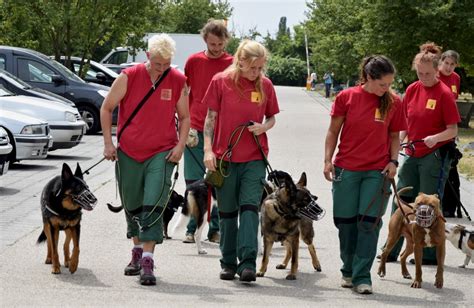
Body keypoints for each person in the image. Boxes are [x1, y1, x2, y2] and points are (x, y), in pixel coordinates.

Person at [100, 34, 190, 285]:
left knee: (153, 202)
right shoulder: (129, 77)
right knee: (133, 203)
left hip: (161, 152)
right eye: (157, 63)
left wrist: (180, 146)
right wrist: (108, 143)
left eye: (166, 64)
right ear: (148, 56)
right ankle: (137, 252)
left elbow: (184, 117)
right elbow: (107, 108)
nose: (162, 69)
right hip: (129, 151)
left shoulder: (178, 80)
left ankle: (148, 259)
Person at [323, 55, 406, 295]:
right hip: (346, 169)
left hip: (377, 171)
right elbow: (332, 132)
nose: (386, 89)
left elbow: (393, 136)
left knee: (369, 224)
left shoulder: (393, 102)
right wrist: (327, 160)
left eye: (390, 84)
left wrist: (393, 161)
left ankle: (362, 276)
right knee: (346, 224)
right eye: (383, 84)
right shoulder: (346, 97)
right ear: (369, 78)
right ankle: (347, 270)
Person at [202, 40, 279, 282]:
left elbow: (272, 118)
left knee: (249, 208)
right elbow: (210, 119)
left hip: (255, 157)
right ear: (241, 61)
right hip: (224, 157)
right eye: (253, 68)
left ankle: (247, 263)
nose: (257, 73)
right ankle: (227, 262)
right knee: (227, 212)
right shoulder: (220, 82)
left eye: (260, 68)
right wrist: (207, 150)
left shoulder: (265, 85)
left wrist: (263, 126)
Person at [383, 42, 460, 265]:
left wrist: (435, 138)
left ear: (437, 70)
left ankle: (428, 253)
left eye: (428, 73)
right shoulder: (412, 89)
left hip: (434, 155)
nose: (423, 77)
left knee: (428, 203)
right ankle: (391, 247)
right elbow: (405, 122)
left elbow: (453, 129)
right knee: (402, 200)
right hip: (412, 153)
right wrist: (402, 143)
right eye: (420, 73)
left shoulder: (444, 93)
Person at [182, 19, 233, 244]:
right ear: (205, 40)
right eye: (213, 44)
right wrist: (181, 120)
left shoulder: (233, 63)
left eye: (220, 44)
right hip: (194, 126)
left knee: (217, 180)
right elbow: (184, 91)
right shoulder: (193, 61)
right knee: (193, 181)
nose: (217, 49)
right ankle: (192, 228)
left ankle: (214, 228)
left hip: (221, 130)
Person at [438, 50, 462, 217]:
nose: (448, 67)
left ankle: (449, 207)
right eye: (446, 63)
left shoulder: (456, 79)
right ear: (441, 62)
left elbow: (453, 104)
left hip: (449, 129)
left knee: (450, 171)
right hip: (435, 128)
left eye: (452, 64)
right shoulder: (434, 76)